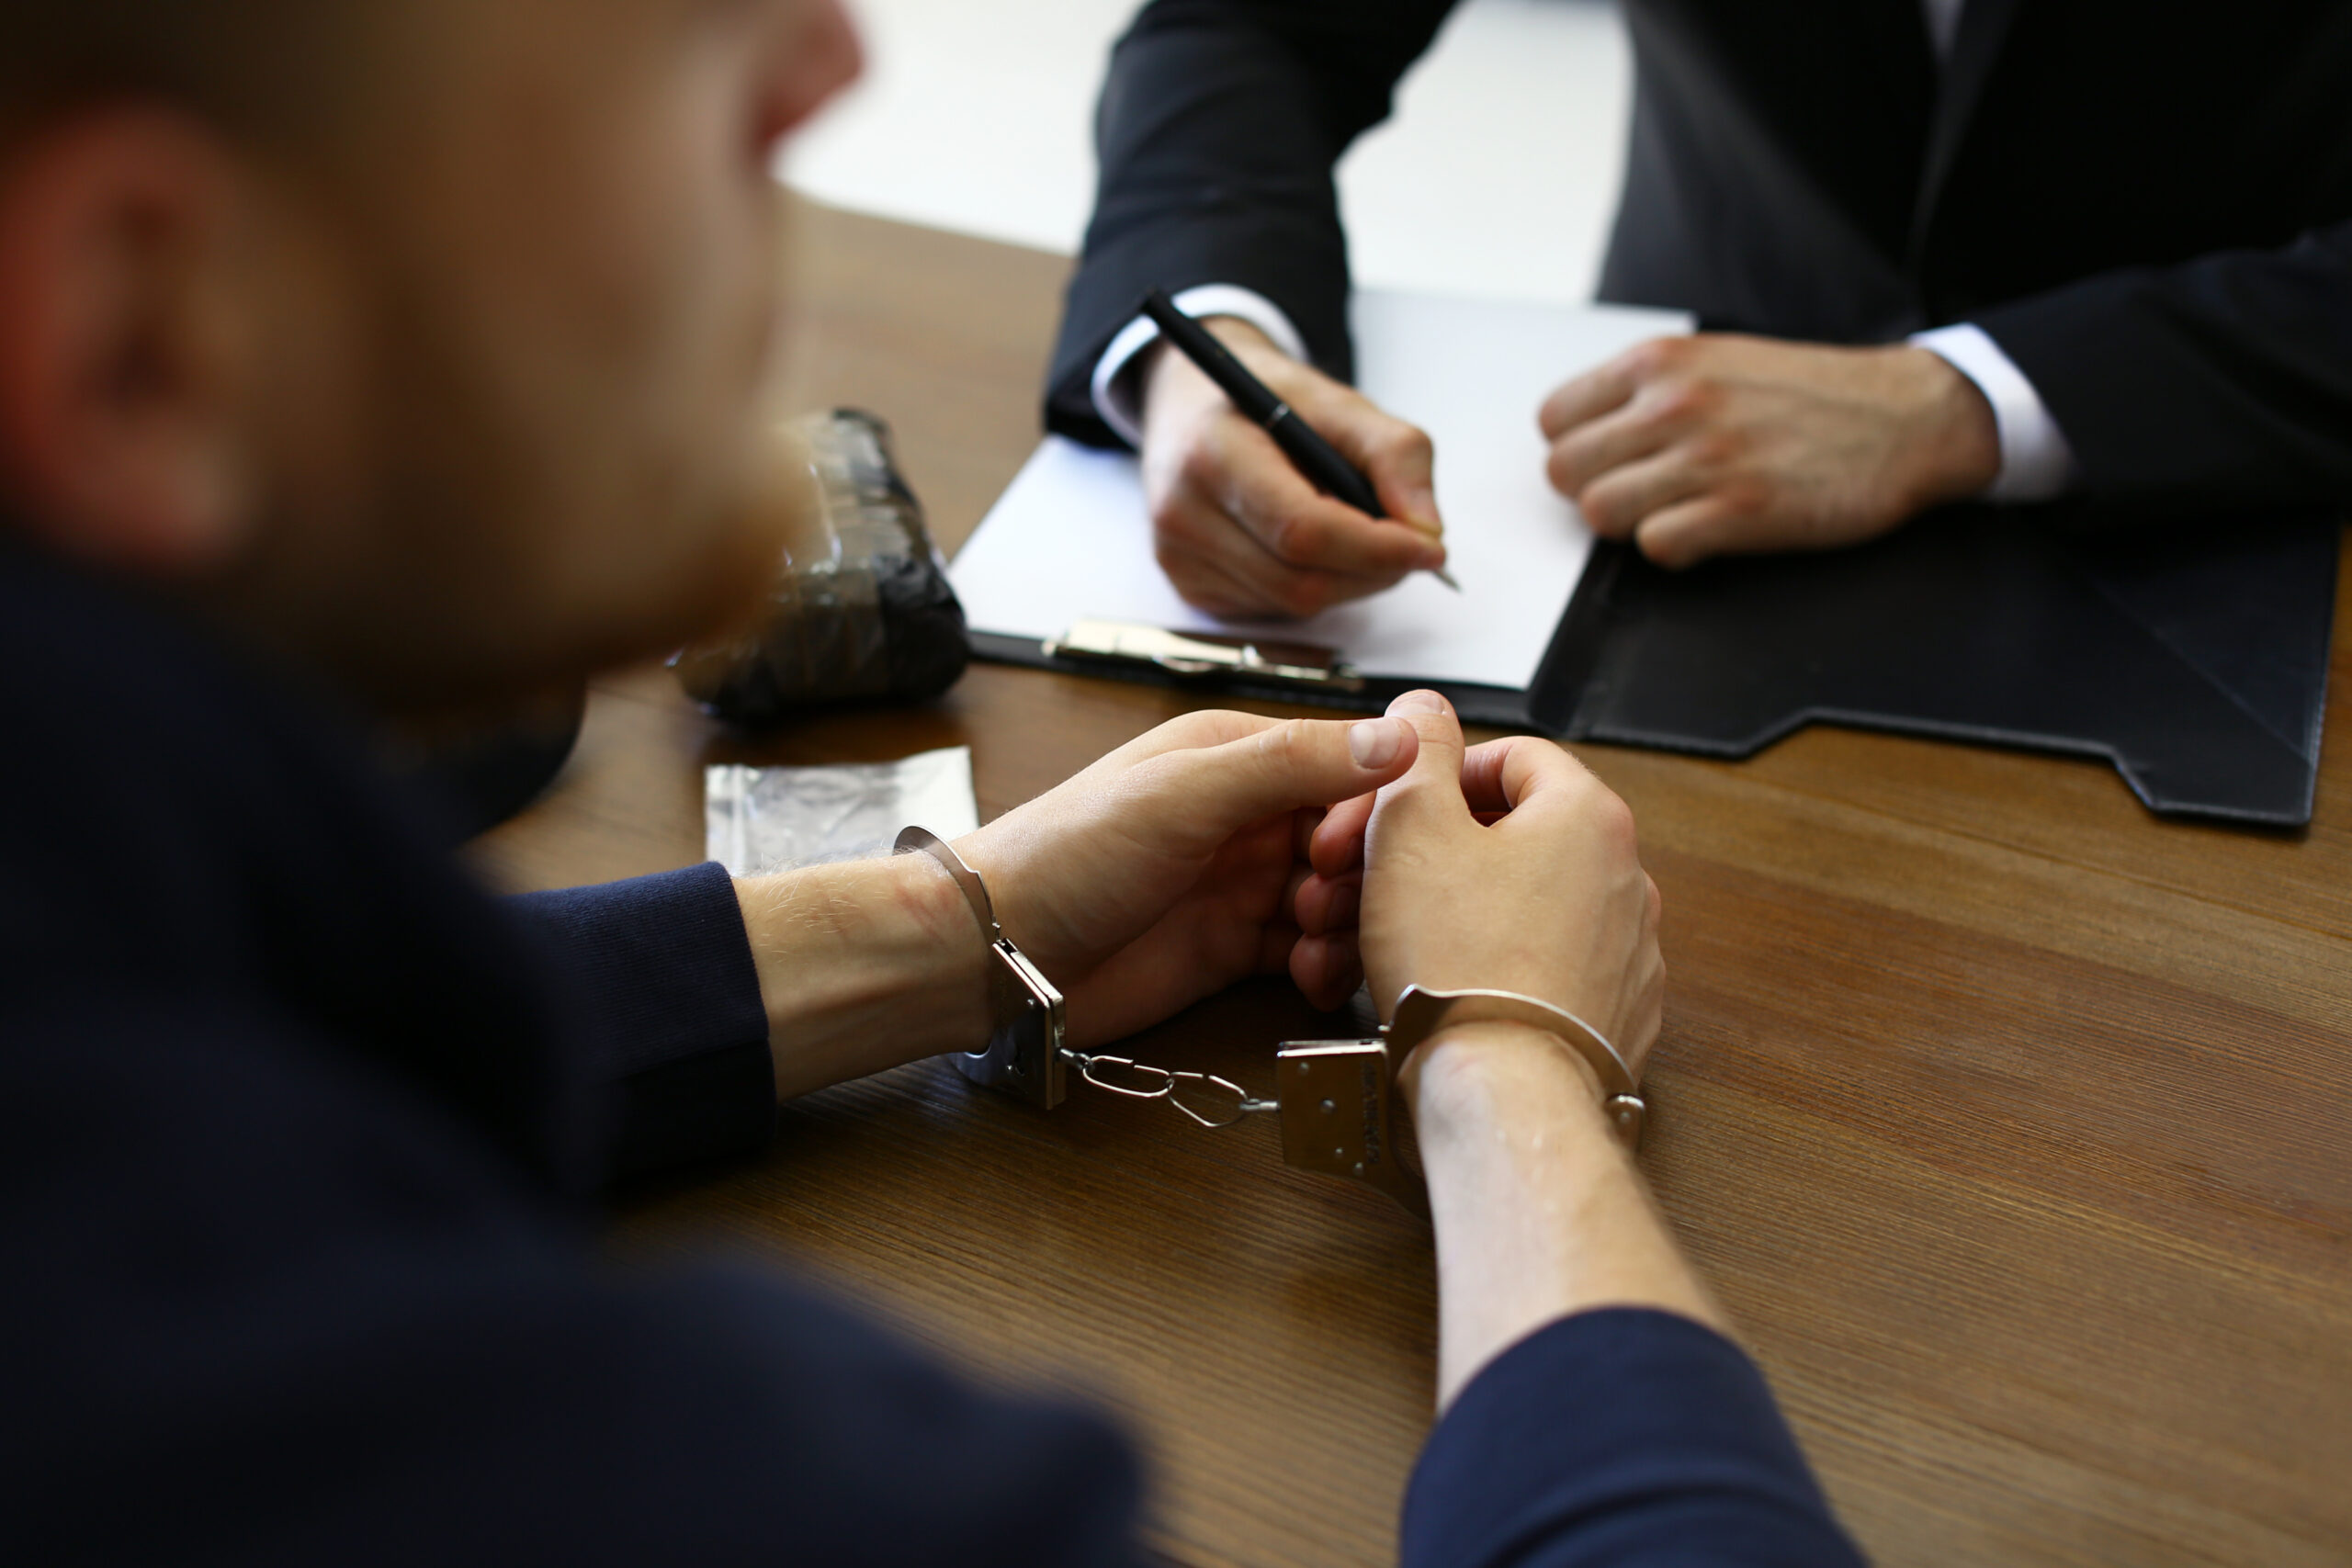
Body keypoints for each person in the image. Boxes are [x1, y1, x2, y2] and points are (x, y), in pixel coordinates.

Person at [0, 1, 1860, 1562]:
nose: (827, 61)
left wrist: (942, 924)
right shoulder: (657, 1483)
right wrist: (1508, 1050)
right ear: (146, 334)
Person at [1046, 0, 2352, 617]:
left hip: (2245, 489)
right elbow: (1246, 29)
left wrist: (1966, 398)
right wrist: (1208, 350)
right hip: (1643, 506)